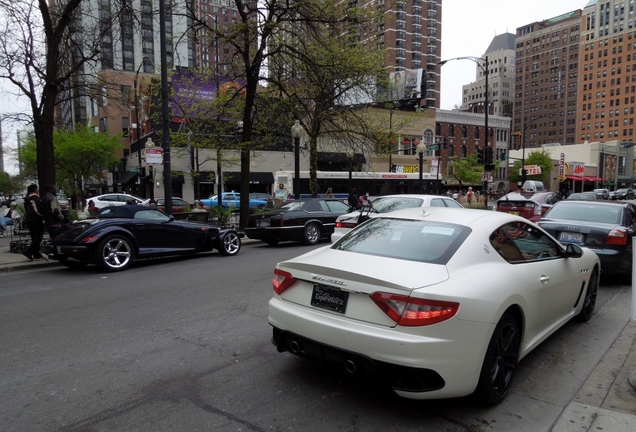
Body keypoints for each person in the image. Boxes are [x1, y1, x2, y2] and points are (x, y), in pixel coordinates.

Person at [23, 184, 47, 261]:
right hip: (36, 219)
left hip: (29, 219)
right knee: (38, 237)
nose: (38, 189)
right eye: (37, 188)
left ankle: (36, 253)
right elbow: (38, 210)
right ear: (35, 190)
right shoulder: (35, 198)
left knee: (34, 237)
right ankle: (28, 251)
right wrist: (43, 214)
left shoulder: (27, 198)